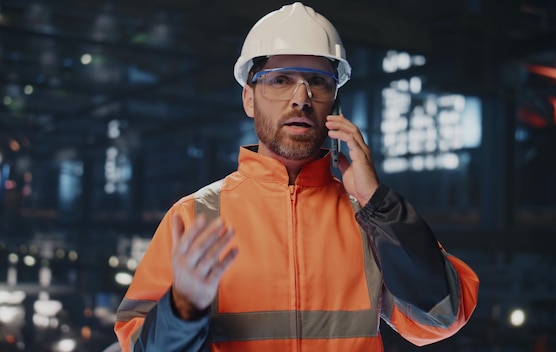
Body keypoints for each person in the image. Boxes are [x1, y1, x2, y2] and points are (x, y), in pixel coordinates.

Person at [114, 2, 479, 351]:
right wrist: (182, 309)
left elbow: (442, 319)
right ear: (249, 99)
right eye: (280, 80)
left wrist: (379, 203)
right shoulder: (193, 216)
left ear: (333, 103)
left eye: (318, 82)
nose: (301, 98)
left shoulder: (371, 218)